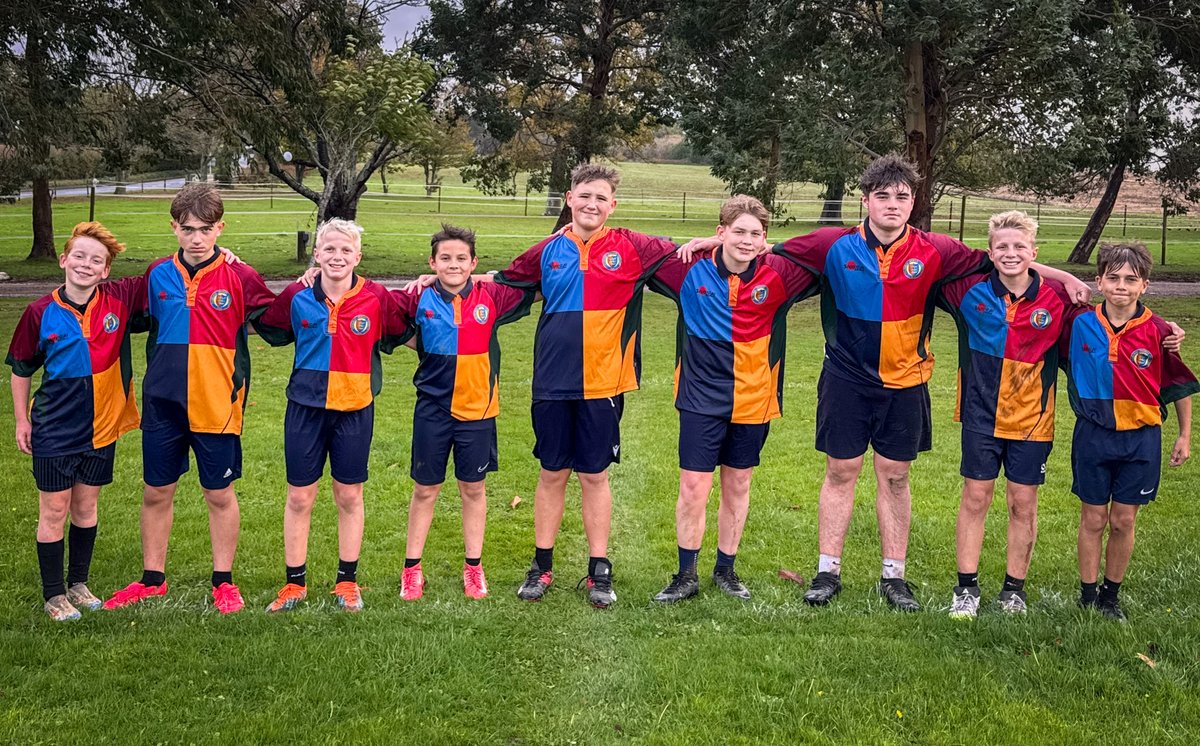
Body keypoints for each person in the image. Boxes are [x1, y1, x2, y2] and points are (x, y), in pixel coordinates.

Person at [682, 154, 1090, 611]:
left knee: (895, 477)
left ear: (913, 201)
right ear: (866, 201)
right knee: (841, 472)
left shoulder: (937, 249)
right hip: (845, 380)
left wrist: (1065, 275)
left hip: (906, 382)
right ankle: (827, 571)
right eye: (882, 196)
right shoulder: (830, 244)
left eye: (902, 196)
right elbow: (762, 249)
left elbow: (1006, 264)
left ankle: (894, 576)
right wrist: (707, 242)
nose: (892, 205)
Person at [103, 183, 275, 614]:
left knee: (218, 493)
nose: (196, 239)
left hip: (218, 404)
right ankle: (152, 579)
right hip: (163, 403)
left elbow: (280, 317)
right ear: (174, 228)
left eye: (204, 229)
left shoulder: (241, 276)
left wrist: (314, 277)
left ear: (220, 228)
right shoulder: (156, 275)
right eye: (186, 229)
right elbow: (117, 309)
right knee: (156, 491)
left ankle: (224, 581)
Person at [646, 195, 817, 603]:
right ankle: (685, 574)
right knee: (693, 487)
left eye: (755, 234)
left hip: (754, 397)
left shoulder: (780, 273)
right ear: (720, 231)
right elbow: (635, 247)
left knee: (738, 483)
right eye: (738, 231)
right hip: (700, 396)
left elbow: (825, 255)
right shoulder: (686, 266)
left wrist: (772, 249)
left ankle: (726, 569)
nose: (746, 240)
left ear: (765, 239)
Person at [254, 219, 408, 613]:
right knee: (300, 496)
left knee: (349, 495)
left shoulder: (375, 297)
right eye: (329, 250)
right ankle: (294, 584)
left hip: (355, 408)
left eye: (345, 251)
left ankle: (347, 581)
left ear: (357, 256)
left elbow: (396, 331)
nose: (337, 257)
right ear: (317, 254)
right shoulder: (298, 295)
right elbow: (270, 329)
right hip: (305, 407)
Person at [7, 222, 142, 621]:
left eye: (96, 260)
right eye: (79, 256)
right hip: (54, 428)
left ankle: (78, 584)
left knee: (86, 508)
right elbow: (20, 370)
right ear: (64, 260)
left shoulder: (120, 300)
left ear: (105, 272)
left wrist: (228, 257)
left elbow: (172, 269)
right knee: (53, 510)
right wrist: (20, 421)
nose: (86, 264)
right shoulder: (39, 312)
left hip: (102, 427)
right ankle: (54, 596)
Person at [393, 225, 535, 601]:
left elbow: (537, 280)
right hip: (433, 411)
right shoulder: (416, 298)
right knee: (425, 489)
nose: (452, 265)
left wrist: (493, 276)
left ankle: (473, 567)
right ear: (432, 262)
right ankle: (412, 569)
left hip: (479, 410)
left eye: (460, 259)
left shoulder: (492, 295)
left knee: (473, 488)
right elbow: (378, 315)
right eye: (444, 258)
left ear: (473, 263)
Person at [1064, 242, 1197, 622]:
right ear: (1099, 281)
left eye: (1131, 280)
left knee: (1123, 520)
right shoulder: (1079, 324)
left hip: (1141, 438)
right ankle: (1087, 595)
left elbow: (1178, 385)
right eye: (1113, 278)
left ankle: (1110, 596)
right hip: (1093, 434)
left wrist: (1184, 435)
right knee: (1093, 518)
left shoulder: (1158, 331)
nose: (1121, 286)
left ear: (1145, 286)